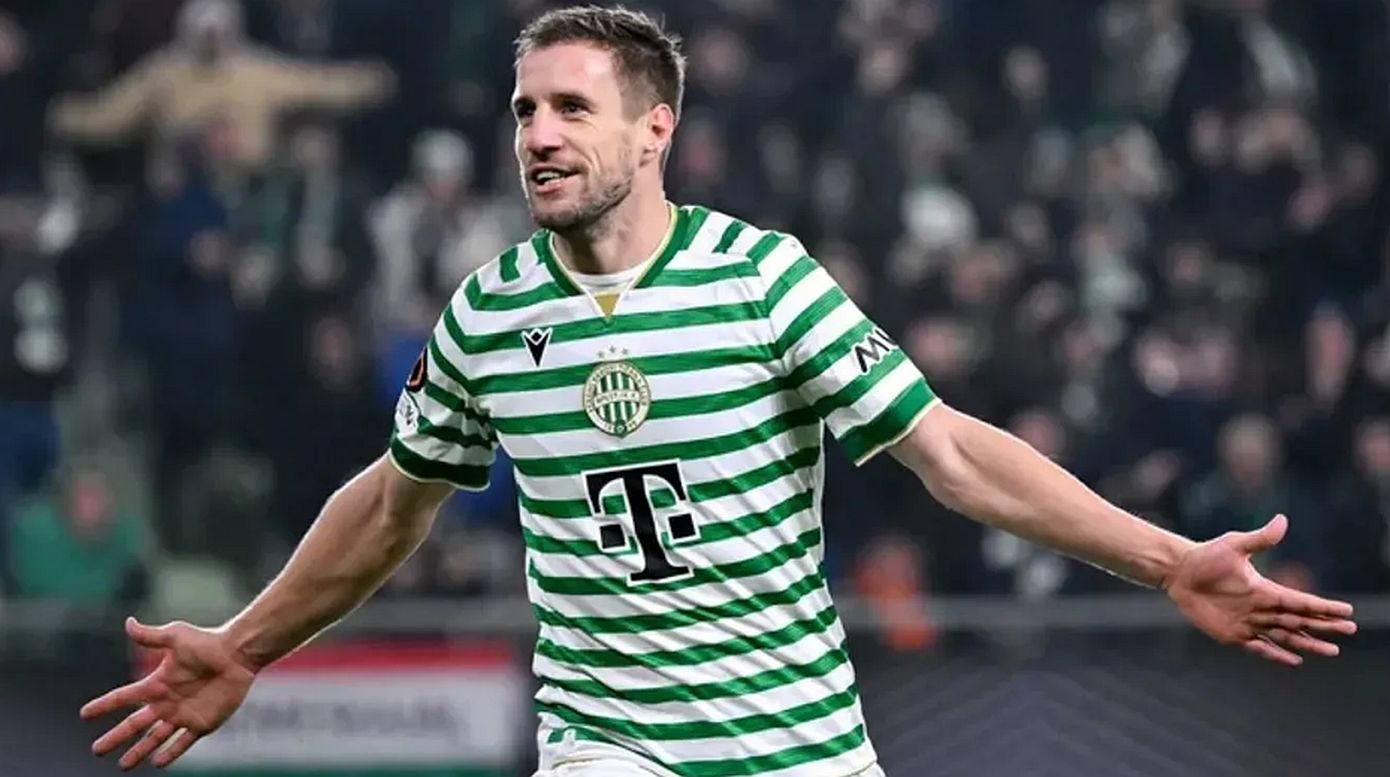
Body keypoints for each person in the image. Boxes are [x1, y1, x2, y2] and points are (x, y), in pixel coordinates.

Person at [79, 7, 1358, 776]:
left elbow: (954, 457)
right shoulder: (486, 314)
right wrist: (245, 643)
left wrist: (1167, 560)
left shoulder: (762, 280)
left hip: (799, 744)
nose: (537, 135)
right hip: (609, 744)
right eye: (523, 110)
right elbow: (389, 506)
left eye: (571, 109)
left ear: (655, 130)